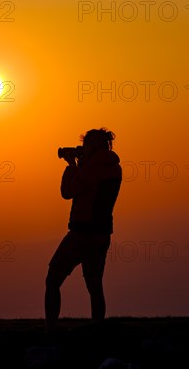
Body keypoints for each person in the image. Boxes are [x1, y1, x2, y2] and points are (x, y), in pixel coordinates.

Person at [45, 128, 122, 333]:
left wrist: (72, 165)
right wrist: (83, 163)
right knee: (95, 285)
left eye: (85, 145)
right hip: (102, 234)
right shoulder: (114, 167)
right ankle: (98, 330)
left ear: (93, 146)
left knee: (53, 279)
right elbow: (92, 189)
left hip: (81, 233)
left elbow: (68, 191)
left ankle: (50, 330)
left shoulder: (92, 167)